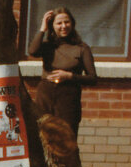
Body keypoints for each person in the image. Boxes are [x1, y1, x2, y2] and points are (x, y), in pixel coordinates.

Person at [28, 7, 97, 137]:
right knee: (42, 138)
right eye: (59, 23)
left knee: (67, 141)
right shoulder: (48, 46)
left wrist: (70, 76)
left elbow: (93, 78)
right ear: (52, 26)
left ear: (72, 23)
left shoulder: (82, 48)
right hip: (45, 96)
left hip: (68, 99)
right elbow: (32, 51)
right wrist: (42, 28)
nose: (63, 26)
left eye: (67, 22)